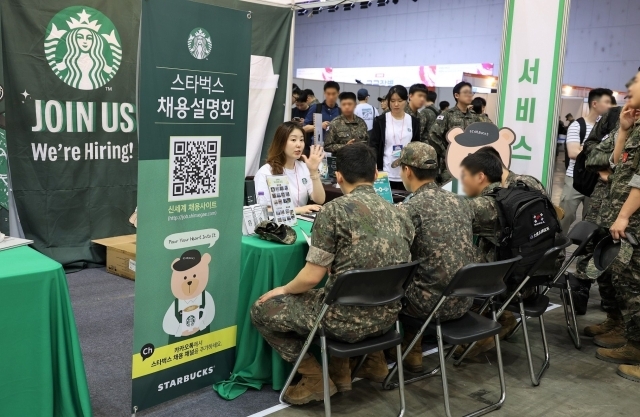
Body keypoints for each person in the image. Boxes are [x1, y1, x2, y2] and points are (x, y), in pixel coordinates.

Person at [251, 143, 414, 404]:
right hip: (387, 320)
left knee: (262, 310)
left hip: (342, 321)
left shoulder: (334, 211)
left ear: (338, 177)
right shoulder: (401, 213)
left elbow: (312, 278)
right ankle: (374, 362)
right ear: (375, 174)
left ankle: (315, 378)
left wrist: (282, 290)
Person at [392, 142, 475, 372]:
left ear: (407, 171)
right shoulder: (461, 202)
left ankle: (409, 350)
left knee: (392, 282)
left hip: (428, 307)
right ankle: (413, 349)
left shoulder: (409, 209)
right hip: (465, 301)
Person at [597, 72, 640, 381]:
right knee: (624, 280)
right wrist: (624, 132)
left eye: (636, 81)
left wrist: (624, 216)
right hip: (624, 216)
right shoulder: (635, 125)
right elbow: (617, 164)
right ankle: (632, 341)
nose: (629, 88)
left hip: (634, 219)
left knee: (635, 286)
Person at [559, 88, 613, 236]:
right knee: (565, 217)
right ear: (595, 103)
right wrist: (601, 153)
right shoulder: (578, 125)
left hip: (597, 182)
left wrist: (585, 149)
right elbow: (573, 153)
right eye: (607, 102)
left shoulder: (610, 130)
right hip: (574, 178)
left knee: (591, 222)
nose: (611, 105)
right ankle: (557, 255)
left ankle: (584, 257)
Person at [254, 122, 326, 214]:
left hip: (301, 220)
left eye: (301, 140)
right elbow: (263, 210)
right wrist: (298, 210)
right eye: (293, 140)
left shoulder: (303, 167)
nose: (299, 145)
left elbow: (320, 200)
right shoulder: (266, 172)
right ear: (281, 142)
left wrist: (314, 171)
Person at [429, 81, 485, 184]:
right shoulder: (447, 114)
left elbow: (485, 133)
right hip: (450, 166)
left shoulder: (474, 116)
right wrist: (446, 153)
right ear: (456, 95)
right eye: (466, 92)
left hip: (470, 164)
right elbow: (433, 135)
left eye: (471, 93)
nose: (469, 95)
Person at [370, 85, 421, 189]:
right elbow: (374, 145)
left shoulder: (414, 122)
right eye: (392, 101)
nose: (396, 104)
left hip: (407, 174)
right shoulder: (380, 121)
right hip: (384, 173)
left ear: (406, 100)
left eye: (400, 100)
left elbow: (416, 146)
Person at [303, 82, 341, 151]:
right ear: (324, 93)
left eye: (333, 94)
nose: (331, 97)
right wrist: (318, 126)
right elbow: (304, 128)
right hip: (317, 149)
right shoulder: (316, 108)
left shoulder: (340, 112)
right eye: (328, 94)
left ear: (338, 93)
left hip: (335, 150)